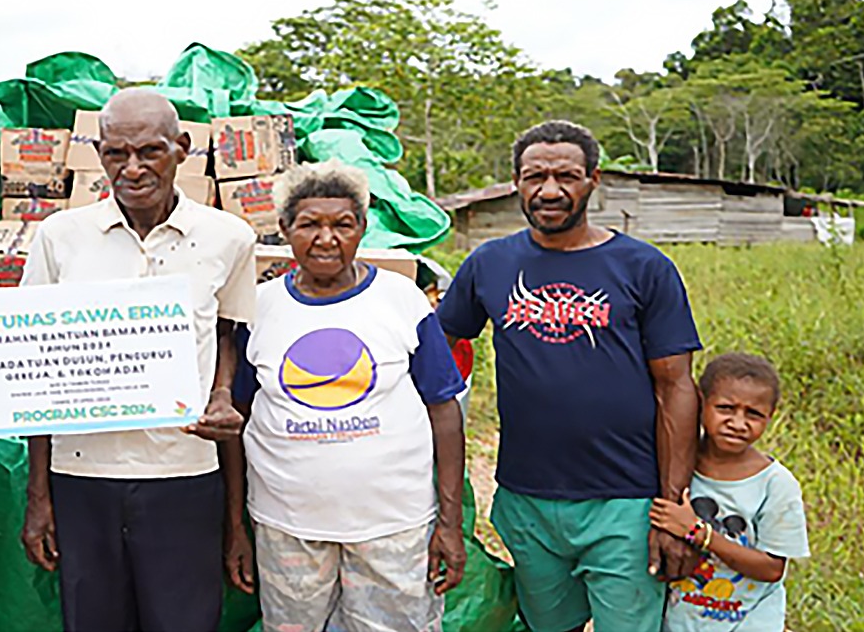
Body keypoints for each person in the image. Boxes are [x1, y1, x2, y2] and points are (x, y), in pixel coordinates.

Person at [436, 120, 703, 632]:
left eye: (567, 176)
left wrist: (672, 508)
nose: (550, 190)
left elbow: (676, 387)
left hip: (625, 502)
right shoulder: (490, 264)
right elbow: (440, 347)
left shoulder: (643, 267)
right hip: (527, 498)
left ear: (593, 181)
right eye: (535, 176)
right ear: (517, 182)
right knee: (548, 625)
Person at [18, 89, 256, 632]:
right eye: (116, 153)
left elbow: (226, 332)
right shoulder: (60, 236)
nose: (132, 168)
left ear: (183, 149)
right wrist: (39, 495)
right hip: (80, 473)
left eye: (149, 151)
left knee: (184, 621)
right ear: (99, 153)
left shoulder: (228, 237)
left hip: (185, 471)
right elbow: (34, 365)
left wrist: (220, 395)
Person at [228, 159, 468, 632]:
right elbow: (239, 417)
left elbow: (444, 412)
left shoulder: (401, 300)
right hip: (287, 527)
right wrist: (234, 523)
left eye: (342, 224)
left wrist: (450, 523)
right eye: (309, 224)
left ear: (362, 227)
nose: (326, 238)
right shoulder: (259, 307)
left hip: (394, 526)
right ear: (284, 229)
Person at [651, 353, 809, 631]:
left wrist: (699, 533)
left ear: (770, 416)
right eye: (725, 408)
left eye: (754, 414)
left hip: (748, 622)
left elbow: (772, 569)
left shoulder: (775, 485)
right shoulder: (674, 468)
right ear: (700, 403)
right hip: (679, 621)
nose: (738, 423)